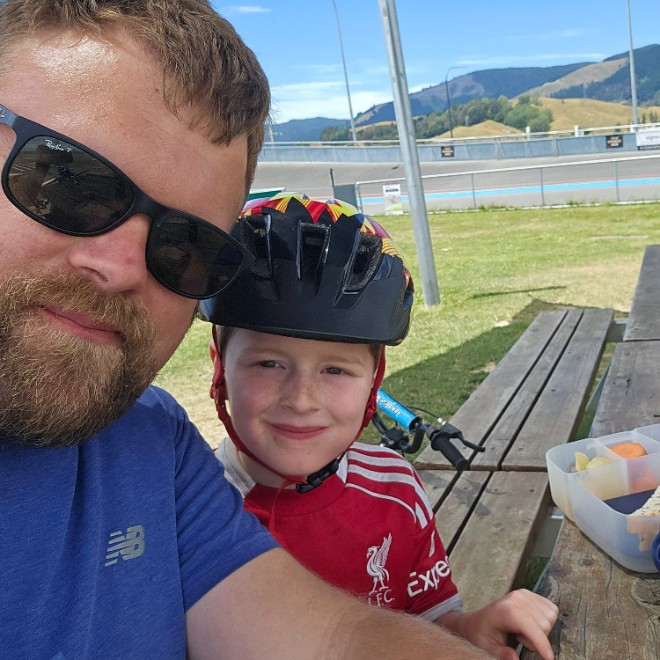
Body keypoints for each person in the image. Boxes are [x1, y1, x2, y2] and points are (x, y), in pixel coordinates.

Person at [0, 0, 501, 657]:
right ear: (221, 367)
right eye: (68, 184)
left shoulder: (150, 448)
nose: (121, 268)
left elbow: (337, 639)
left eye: (186, 244)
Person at [204, 193, 559, 660]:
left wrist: (471, 631)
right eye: (268, 363)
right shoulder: (192, 512)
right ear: (219, 365)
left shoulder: (396, 489)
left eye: (335, 370)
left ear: (375, 380)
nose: (301, 400)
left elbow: (429, 621)